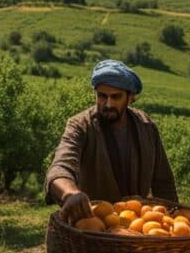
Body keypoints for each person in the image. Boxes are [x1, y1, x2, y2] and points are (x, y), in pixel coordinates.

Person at [45, 59, 179, 223]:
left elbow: (163, 182)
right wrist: (70, 193)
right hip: (94, 226)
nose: (108, 104)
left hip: (137, 227)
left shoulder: (146, 127)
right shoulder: (81, 126)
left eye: (116, 97)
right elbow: (60, 166)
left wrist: (175, 220)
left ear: (130, 97)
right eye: (102, 96)